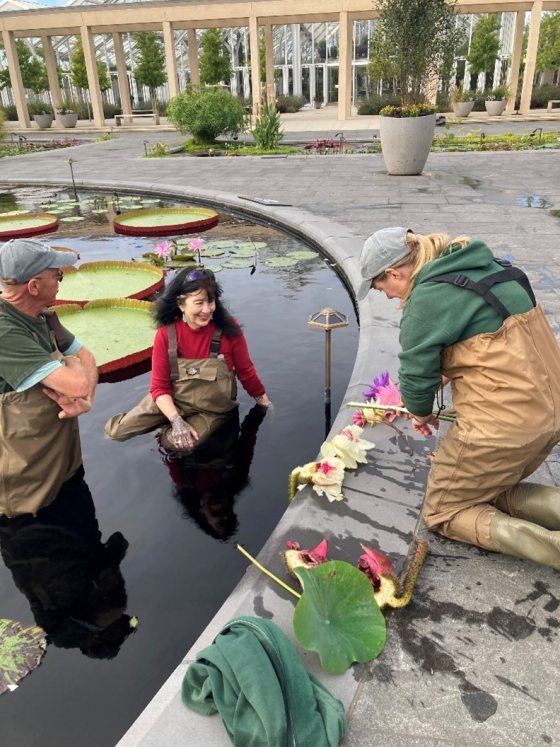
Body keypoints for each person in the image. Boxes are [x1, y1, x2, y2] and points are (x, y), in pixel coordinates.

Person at [357, 226, 560, 568]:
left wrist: (421, 413)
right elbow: (490, 344)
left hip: (506, 429)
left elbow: (416, 381)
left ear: (395, 272)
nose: (388, 296)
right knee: (490, 490)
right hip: (548, 413)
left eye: (382, 288)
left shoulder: (426, 299)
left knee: (444, 511)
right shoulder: (488, 267)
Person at [105, 267, 270, 451]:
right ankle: (171, 422)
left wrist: (264, 403)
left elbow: (245, 371)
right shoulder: (166, 334)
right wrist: (176, 420)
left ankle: (168, 433)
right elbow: (159, 387)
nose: (207, 310)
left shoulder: (228, 329)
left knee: (179, 444)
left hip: (211, 409)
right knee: (116, 432)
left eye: (211, 301)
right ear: (181, 304)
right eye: (199, 303)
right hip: (173, 399)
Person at [0, 238, 98, 518]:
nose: (59, 282)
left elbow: (88, 358)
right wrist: (71, 365)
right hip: (28, 491)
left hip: (64, 465)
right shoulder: (5, 333)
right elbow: (78, 382)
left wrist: (87, 401)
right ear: (34, 286)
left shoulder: (44, 317)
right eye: (58, 276)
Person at [0, 477, 134, 659]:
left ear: (99, 639)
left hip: (60, 510)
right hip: (12, 530)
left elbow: (115, 547)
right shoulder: (49, 624)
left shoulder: (112, 606)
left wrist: (119, 549)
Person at [165, 404, 267, 540]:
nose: (221, 508)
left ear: (201, 513)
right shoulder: (236, 476)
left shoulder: (186, 481)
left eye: (216, 513)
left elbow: (168, 450)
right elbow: (248, 436)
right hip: (222, 414)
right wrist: (261, 410)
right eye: (227, 511)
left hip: (189, 418)